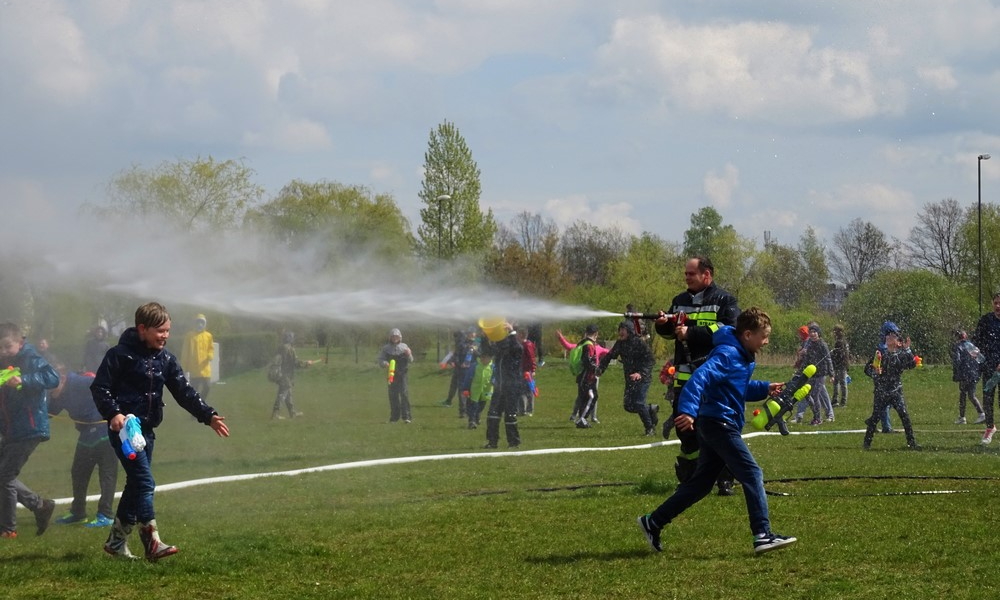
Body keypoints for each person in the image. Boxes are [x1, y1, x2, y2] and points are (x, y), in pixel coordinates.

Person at [636, 307, 796, 555]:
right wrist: (688, 411)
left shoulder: (740, 354)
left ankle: (653, 521)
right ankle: (763, 535)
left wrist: (764, 388)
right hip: (719, 423)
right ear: (747, 334)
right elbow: (699, 378)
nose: (766, 342)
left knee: (700, 485)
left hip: (715, 422)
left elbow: (736, 387)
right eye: (763, 336)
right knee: (752, 473)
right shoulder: (728, 353)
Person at [91, 302, 230, 561]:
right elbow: (100, 388)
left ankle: (116, 542)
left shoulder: (165, 359)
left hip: (147, 432)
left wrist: (208, 415)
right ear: (142, 329)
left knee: (135, 485)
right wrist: (114, 413)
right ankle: (152, 542)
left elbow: (184, 391)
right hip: (125, 432)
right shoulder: (119, 355)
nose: (165, 335)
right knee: (145, 482)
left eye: (168, 331)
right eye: (160, 331)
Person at [654, 256, 739, 495]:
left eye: (691, 274)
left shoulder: (725, 300)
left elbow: (728, 330)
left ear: (707, 275)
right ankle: (691, 479)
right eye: (686, 274)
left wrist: (691, 333)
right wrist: (663, 325)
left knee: (718, 428)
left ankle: (725, 479)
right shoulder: (679, 301)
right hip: (685, 379)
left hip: (714, 379)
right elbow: (672, 335)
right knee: (685, 430)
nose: (686, 277)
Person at [0, 322, 59, 539]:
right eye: (0, 348)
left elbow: (52, 377)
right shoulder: (4, 363)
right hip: (12, 429)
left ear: (20, 342)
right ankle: (40, 505)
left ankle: (8, 529)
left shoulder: (30, 357)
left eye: (8, 346)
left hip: (30, 426)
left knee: (5, 475)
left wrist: (23, 380)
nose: (4, 352)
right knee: (2, 475)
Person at [49, 366, 118, 527]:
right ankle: (78, 512)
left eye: (51, 388)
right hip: (87, 435)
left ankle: (105, 514)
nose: (50, 392)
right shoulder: (60, 394)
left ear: (63, 379)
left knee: (107, 473)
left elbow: (107, 386)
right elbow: (49, 412)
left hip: (106, 431)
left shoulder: (80, 382)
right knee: (79, 473)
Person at [861, 321, 920, 450]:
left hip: (896, 391)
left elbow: (911, 364)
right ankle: (866, 444)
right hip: (882, 391)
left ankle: (912, 443)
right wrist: (875, 373)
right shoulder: (880, 355)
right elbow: (867, 369)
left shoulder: (901, 355)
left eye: (892, 336)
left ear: (898, 342)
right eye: (887, 336)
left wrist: (908, 349)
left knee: (904, 415)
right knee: (875, 417)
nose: (889, 337)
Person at [598, 321, 659, 436]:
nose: (620, 332)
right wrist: (601, 368)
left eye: (623, 329)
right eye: (619, 329)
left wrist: (640, 373)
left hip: (643, 378)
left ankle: (650, 429)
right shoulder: (620, 344)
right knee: (629, 406)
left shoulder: (639, 343)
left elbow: (651, 360)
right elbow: (610, 356)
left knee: (639, 403)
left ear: (630, 331)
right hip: (629, 378)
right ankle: (650, 409)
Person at [556, 328, 609, 423]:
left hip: (591, 375)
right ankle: (578, 416)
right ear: (596, 334)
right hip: (588, 375)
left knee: (590, 396)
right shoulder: (585, 346)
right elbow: (568, 346)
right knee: (588, 397)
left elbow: (609, 352)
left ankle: (592, 417)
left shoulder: (591, 346)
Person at [483, 320, 522, 449]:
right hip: (499, 386)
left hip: (512, 386)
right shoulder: (500, 348)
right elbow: (488, 351)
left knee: (510, 415)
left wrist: (512, 332)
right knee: (493, 414)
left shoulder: (515, 348)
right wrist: (486, 335)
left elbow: (517, 348)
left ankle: (514, 442)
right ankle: (492, 442)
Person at [271, 331, 316, 420]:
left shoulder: (280, 347)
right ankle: (275, 414)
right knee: (282, 394)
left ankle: (292, 413)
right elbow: (296, 363)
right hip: (285, 376)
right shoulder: (289, 349)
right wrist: (307, 363)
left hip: (280, 375)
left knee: (288, 394)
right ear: (290, 339)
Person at [974, 292, 1000, 444]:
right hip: (989, 367)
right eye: (996, 303)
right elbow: (977, 340)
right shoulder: (986, 320)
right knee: (988, 398)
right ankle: (990, 428)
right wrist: (975, 352)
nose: (998, 306)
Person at [378, 328, 414, 424]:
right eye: (393, 336)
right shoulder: (386, 348)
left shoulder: (404, 347)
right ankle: (394, 417)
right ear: (390, 337)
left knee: (404, 394)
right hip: (391, 375)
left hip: (403, 374)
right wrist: (385, 363)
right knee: (393, 396)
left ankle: (407, 417)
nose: (395, 338)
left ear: (400, 337)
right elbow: (380, 360)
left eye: (396, 336)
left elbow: (411, 360)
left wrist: (409, 354)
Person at [952, 329, 986, 425]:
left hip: (964, 374)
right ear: (965, 336)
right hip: (974, 373)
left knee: (963, 395)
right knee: (971, 395)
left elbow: (957, 361)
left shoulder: (958, 347)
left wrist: (956, 373)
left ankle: (962, 417)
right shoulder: (972, 346)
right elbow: (981, 359)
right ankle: (981, 414)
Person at [570, 324, 601, 428]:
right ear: (596, 334)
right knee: (591, 396)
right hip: (586, 377)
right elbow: (586, 360)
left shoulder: (583, 343)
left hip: (583, 376)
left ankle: (582, 419)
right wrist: (596, 368)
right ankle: (582, 419)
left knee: (585, 398)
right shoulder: (589, 345)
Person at [804, 324, 835, 424]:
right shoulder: (809, 345)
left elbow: (828, 359)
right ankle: (816, 416)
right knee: (807, 395)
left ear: (818, 333)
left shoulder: (823, 344)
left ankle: (818, 418)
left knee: (815, 395)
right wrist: (800, 372)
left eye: (814, 332)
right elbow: (806, 360)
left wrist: (831, 374)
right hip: (811, 374)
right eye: (811, 332)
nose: (812, 334)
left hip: (821, 374)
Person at [180, 313, 214, 402]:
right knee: (194, 390)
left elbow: (211, 348)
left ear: (205, 324)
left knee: (207, 386)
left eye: (202, 322)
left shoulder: (208, 336)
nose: (200, 324)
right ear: (195, 323)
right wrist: (185, 367)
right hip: (193, 369)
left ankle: (201, 402)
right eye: (198, 322)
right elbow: (185, 352)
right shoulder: (189, 336)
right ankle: (196, 408)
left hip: (205, 368)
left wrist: (210, 355)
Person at [467, 349, 494, 429]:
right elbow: (468, 377)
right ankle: (471, 421)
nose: (483, 359)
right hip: (475, 389)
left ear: (490, 358)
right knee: (473, 405)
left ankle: (477, 416)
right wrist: (465, 388)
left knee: (482, 405)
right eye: (482, 357)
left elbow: (495, 376)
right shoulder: (475, 366)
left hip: (487, 390)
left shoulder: (492, 367)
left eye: (485, 358)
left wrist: (494, 381)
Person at [516, 328, 537, 416]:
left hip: (527, 371)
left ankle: (529, 410)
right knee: (521, 390)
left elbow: (532, 358)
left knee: (528, 390)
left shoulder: (527, 345)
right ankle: (522, 409)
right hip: (521, 370)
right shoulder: (522, 345)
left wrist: (533, 370)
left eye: (517, 334)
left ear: (521, 334)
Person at [831, 324, 850, 408]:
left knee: (841, 382)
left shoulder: (840, 342)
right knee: (838, 382)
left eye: (835, 331)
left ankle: (842, 401)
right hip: (841, 364)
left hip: (840, 364)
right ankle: (836, 400)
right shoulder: (843, 341)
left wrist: (832, 356)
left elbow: (841, 354)